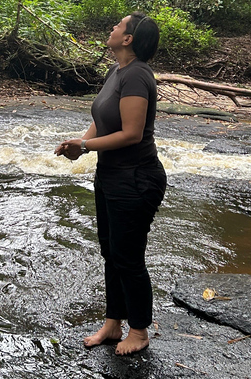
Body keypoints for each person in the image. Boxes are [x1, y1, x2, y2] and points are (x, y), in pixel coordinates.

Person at [55, 12, 166, 355]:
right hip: (111, 176)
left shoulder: (136, 76)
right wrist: (80, 143)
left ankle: (139, 331)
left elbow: (132, 133)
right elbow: (102, 120)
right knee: (111, 252)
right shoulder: (116, 71)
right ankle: (113, 323)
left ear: (129, 38)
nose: (112, 29)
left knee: (128, 257)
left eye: (118, 25)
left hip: (137, 178)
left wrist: (86, 147)